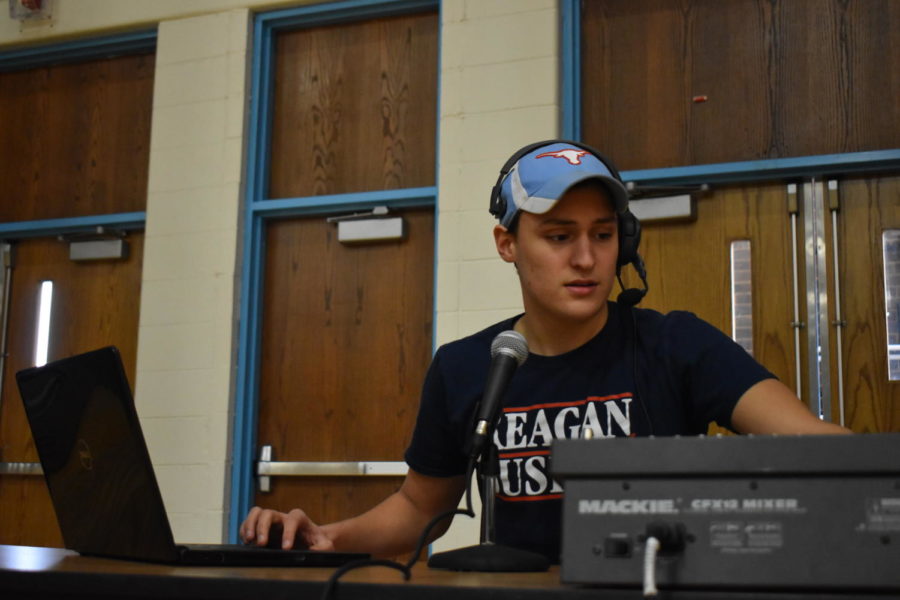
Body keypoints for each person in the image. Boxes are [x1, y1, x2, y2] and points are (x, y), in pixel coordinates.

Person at [240, 140, 849, 562]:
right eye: (559, 237)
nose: (586, 259)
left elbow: (811, 444)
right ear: (508, 243)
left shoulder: (675, 344)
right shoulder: (465, 367)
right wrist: (326, 536)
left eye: (603, 235)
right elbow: (418, 508)